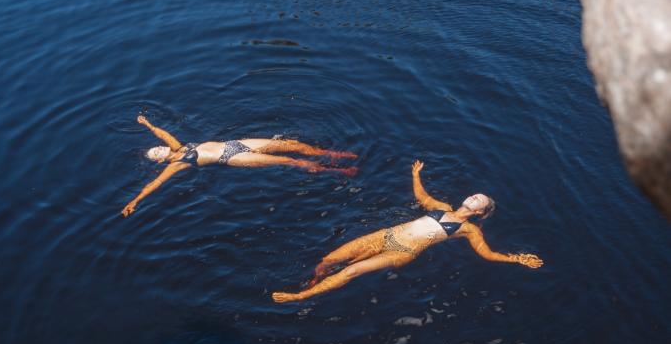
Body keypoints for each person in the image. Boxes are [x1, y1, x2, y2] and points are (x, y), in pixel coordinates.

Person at [271, 159, 543, 302]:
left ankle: (301, 296)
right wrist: (416, 176)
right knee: (329, 260)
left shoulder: (469, 230)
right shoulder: (443, 206)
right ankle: (315, 282)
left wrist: (517, 258)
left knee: (352, 270)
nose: (472, 197)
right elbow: (423, 198)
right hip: (385, 235)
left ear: (480, 212)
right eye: (474, 195)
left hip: (404, 251)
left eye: (478, 200)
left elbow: (488, 255)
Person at [122, 114, 358, 216]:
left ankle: (331, 154)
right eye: (157, 153)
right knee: (288, 160)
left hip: (236, 143)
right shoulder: (175, 165)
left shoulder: (177, 146)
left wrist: (148, 124)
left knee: (289, 144)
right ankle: (335, 171)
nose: (161, 148)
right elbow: (155, 184)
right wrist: (135, 200)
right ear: (160, 160)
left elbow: (163, 134)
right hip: (232, 158)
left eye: (158, 147)